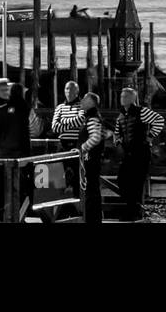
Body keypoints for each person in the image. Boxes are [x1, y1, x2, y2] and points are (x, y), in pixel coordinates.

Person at [113, 87, 164, 221]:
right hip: (127, 154)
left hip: (141, 152)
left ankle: (133, 213)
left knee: (136, 185)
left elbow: (159, 120)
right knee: (122, 181)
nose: (121, 98)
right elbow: (117, 132)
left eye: (125, 96)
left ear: (132, 98)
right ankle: (133, 211)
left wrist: (150, 136)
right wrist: (117, 141)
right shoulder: (121, 114)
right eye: (121, 96)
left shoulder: (142, 111)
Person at [76, 92, 105, 224]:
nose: (81, 101)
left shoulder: (92, 118)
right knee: (91, 190)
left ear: (90, 103)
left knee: (90, 190)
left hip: (90, 160)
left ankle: (92, 218)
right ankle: (93, 218)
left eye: (84, 99)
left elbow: (95, 138)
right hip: (90, 160)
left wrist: (82, 148)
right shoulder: (90, 117)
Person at [51, 80, 84, 147]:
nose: (69, 91)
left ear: (77, 92)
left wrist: (63, 120)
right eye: (67, 89)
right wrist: (73, 125)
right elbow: (54, 127)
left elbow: (80, 120)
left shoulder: (82, 105)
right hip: (62, 143)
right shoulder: (60, 107)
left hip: (78, 143)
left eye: (72, 89)